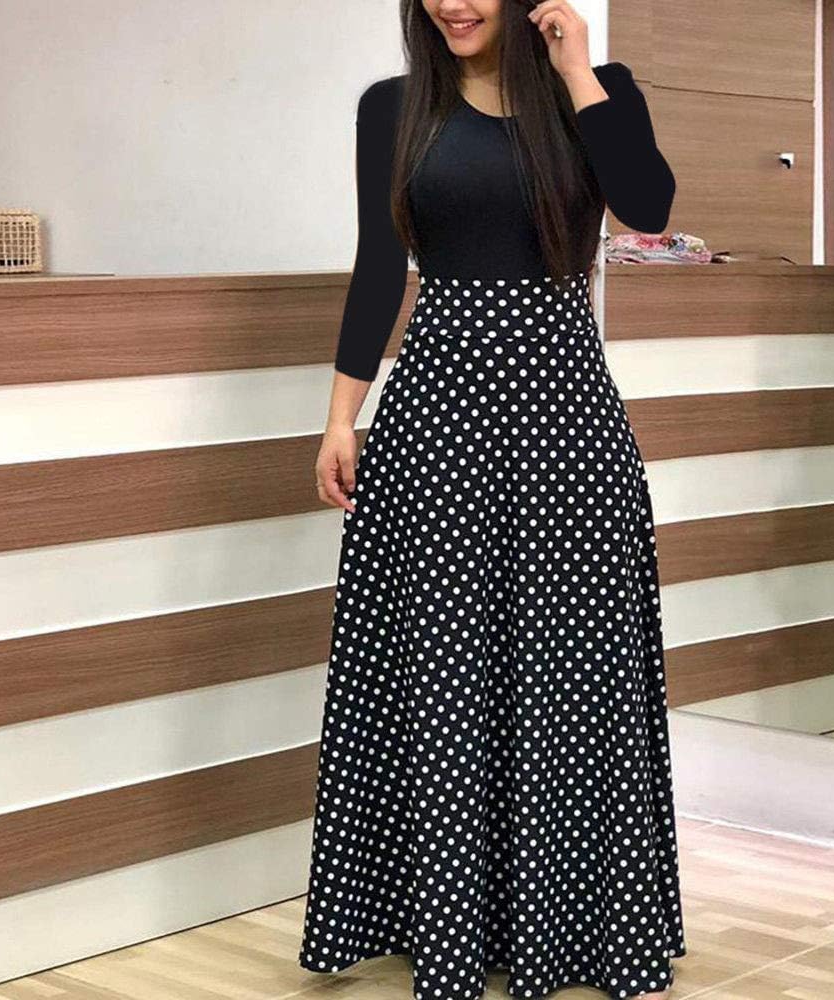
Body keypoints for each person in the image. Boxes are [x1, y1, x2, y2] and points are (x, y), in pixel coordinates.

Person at [299, 2, 685, 997]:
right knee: (442, 669)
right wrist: (341, 417)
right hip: (436, 422)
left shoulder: (598, 92)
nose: (453, 3)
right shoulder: (393, 107)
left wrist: (578, 71)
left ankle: (573, 925)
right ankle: (447, 924)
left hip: (566, 423)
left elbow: (646, 207)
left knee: (572, 670)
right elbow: (379, 264)